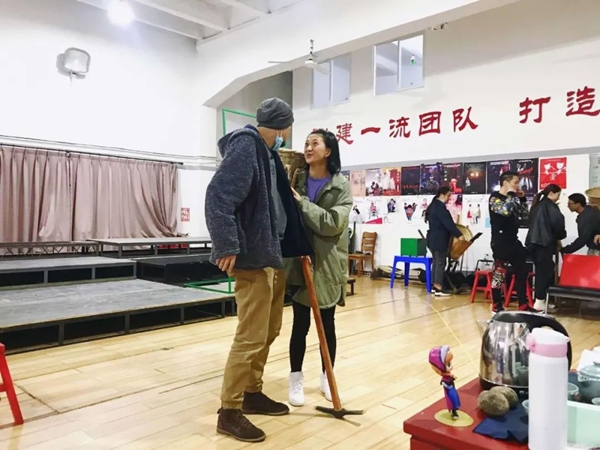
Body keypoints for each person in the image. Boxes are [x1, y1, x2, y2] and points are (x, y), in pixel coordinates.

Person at [205, 98, 313, 443]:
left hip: (271, 255)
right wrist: (226, 245)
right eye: (288, 128)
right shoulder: (246, 147)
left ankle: (252, 392)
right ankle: (229, 410)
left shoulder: (267, 154)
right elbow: (218, 196)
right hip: (251, 258)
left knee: (269, 330)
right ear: (283, 126)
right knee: (250, 335)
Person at [285, 129, 352, 407]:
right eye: (306, 143)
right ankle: (295, 379)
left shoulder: (340, 186)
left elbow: (331, 224)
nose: (308, 148)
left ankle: (327, 376)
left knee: (327, 324)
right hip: (299, 262)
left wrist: (301, 203)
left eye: (315, 143)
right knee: (299, 325)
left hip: (327, 264)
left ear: (329, 151)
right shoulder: (296, 180)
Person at [488, 171, 538, 313]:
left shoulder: (513, 199)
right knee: (499, 273)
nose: (518, 185)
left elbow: (524, 216)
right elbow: (505, 211)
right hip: (500, 242)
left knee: (522, 271)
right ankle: (496, 304)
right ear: (506, 183)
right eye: (515, 182)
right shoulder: (494, 198)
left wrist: (522, 200)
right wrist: (510, 194)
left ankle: (523, 304)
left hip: (513, 240)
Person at [525, 184, 566, 311]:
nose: (558, 198)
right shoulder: (551, 206)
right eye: (558, 195)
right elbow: (558, 224)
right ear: (552, 193)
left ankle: (542, 300)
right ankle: (540, 300)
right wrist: (561, 236)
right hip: (544, 243)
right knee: (545, 272)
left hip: (533, 242)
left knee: (541, 271)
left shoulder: (536, 206)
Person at [424, 186, 464, 296]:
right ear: (442, 195)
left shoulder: (433, 206)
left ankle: (434, 286)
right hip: (439, 239)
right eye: (448, 196)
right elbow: (448, 224)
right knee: (440, 262)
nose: (449, 198)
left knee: (436, 262)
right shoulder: (440, 208)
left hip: (432, 239)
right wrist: (459, 235)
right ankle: (438, 288)